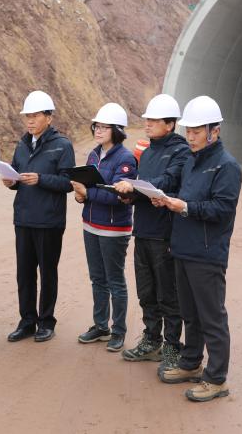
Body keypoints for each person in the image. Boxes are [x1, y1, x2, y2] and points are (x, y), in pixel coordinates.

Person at [151, 95, 242, 403]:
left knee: (211, 317)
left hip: (207, 253)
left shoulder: (227, 167)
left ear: (213, 131)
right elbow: (181, 192)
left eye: (196, 131)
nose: (190, 136)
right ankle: (191, 363)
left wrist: (185, 207)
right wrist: (165, 198)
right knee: (190, 313)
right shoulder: (191, 161)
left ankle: (217, 379)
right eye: (188, 130)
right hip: (183, 248)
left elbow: (222, 209)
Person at [114, 94, 190, 369]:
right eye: (146, 119)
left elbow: (168, 180)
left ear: (170, 124)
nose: (147, 123)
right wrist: (128, 197)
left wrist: (135, 185)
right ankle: (151, 339)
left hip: (165, 233)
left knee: (167, 293)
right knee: (146, 291)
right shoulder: (146, 153)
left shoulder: (181, 151)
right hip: (143, 231)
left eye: (153, 120)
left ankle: (171, 346)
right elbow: (144, 188)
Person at [2, 91, 75, 343]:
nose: (30, 121)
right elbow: (16, 174)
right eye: (27, 116)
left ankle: (46, 321)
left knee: (47, 272)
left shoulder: (62, 145)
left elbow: (68, 182)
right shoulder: (22, 144)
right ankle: (27, 321)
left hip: (49, 220)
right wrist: (10, 182)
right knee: (24, 273)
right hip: (23, 217)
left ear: (48, 117)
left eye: (35, 116)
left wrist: (41, 179)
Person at [71, 102, 137, 353]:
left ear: (117, 130)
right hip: (91, 225)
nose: (98, 131)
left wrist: (87, 192)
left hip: (114, 229)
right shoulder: (93, 155)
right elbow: (90, 190)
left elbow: (118, 197)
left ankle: (118, 331)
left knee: (115, 280)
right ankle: (101, 326)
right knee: (97, 279)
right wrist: (81, 196)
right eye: (96, 126)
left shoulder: (126, 159)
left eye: (104, 127)